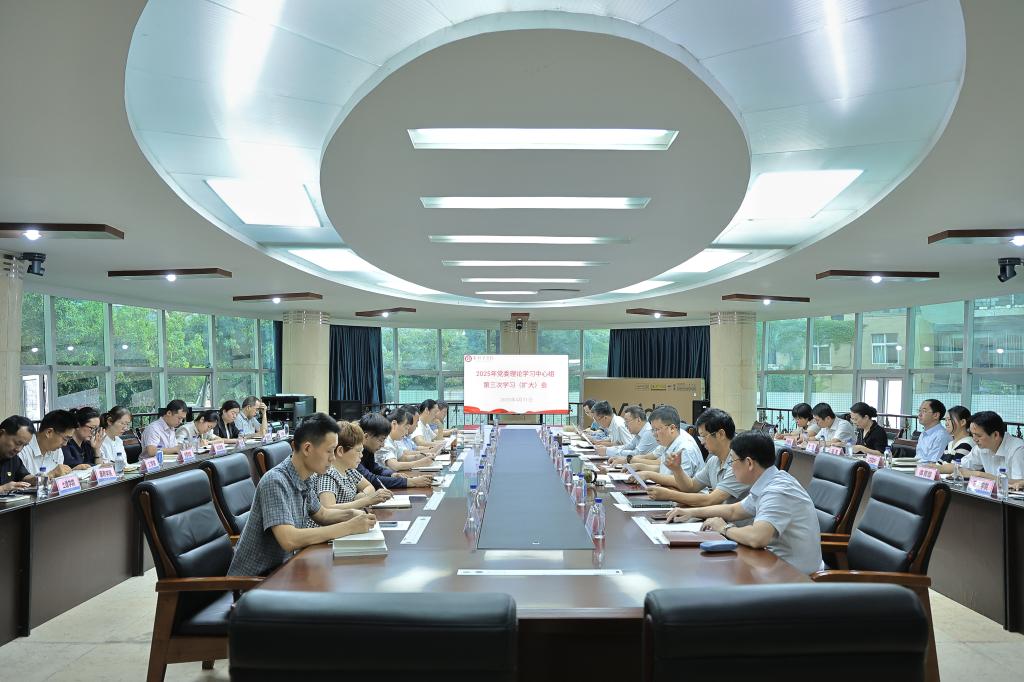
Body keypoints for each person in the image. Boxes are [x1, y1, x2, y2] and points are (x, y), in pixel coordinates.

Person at [227, 413, 375, 577]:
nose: (333, 458)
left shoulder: (306, 477)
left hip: (286, 569)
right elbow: (289, 539)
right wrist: (349, 527)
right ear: (307, 449)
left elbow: (322, 514)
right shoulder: (275, 481)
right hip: (256, 580)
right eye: (329, 451)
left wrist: (352, 514)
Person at [666, 432, 824, 574]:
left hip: (794, 576)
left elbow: (757, 537)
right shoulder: (769, 480)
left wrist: (723, 528)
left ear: (749, 463)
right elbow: (734, 511)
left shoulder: (777, 490)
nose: (731, 466)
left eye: (732, 461)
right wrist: (690, 512)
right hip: (771, 561)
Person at [647, 408, 750, 506]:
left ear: (721, 434)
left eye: (703, 436)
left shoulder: (738, 462)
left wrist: (669, 495)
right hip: (718, 516)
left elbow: (711, 500)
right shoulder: (714, 461)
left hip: (731, 518)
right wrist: (677, 469)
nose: (702, 442)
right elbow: (691, 486)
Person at [310, 421, 392, 513]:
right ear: (340, 451)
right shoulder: (327, 474)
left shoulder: (349, 470)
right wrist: (366, 500)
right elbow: (328, 509)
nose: (361, 455)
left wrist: (360, 497)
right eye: (358, 451)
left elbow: (369, 487)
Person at [626, 405, 703, 487]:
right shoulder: (668, 442)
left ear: (672, 428)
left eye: (657, 430)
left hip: (687, 494)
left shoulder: (685, 449)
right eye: (652, 430)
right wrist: (639, 466)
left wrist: (649, 475)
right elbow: (664, 470)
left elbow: (682, 482)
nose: (654, 434)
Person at [938, 410, 1024, 481]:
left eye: (978, 435)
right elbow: (960, 465)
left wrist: (979, 475)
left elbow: (1019, 483)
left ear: (995, 435)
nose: (974, 439)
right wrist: (933, 468)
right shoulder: (980, 447)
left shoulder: (1017, 449)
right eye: (972, 434)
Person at [357, 412, 433, 489]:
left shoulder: (368, 449)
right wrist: (410, 482)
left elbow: (375, 468)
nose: (383, 445)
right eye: (380, 440)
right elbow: (369, 479)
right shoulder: (354, 452)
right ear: (366, 437)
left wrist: (391, 474)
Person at [19, 409, 77, 478]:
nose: (65, 444)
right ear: (49, 432)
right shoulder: (22, 449)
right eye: (65, 439)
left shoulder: (57, 450)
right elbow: (19, 482)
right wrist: (51, 475)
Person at [0, 416, 37, 493]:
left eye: (24, 445)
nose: (19, 449)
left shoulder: (13, 458)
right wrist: (3, 488)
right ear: (1, 433)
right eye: (17, 443)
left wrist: (36, 479)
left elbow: (24, 477)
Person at [915, 399, 952, 463]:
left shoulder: (941, 436)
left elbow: (933, 463)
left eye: (924, 411)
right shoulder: (924, 433)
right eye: (919, 411)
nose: (919, 414)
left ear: (936, 415)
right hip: (917, 466)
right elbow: (918, 458)